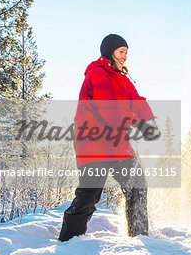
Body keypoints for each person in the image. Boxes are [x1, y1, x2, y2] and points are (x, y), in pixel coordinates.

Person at [58, 34, 161, 242]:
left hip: (118, 144)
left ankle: (140, 236)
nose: (125, 57)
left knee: (137, 185)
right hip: (94, 144)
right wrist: (137, 122)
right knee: (89, 195)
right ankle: (68, 241)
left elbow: (136, 100)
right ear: (110, 52)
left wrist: (147, 119)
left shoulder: (121, 77)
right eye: (121, 52)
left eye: (126, 53)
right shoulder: (98, 73)